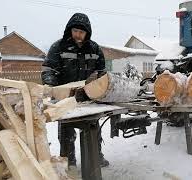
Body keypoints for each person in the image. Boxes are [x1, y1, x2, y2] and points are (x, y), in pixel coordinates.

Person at [41, 13, 109, 168]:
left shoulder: (94, 48)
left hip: (87, 97)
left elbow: (102, 72)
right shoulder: (58, 47)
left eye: (82, 32)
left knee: (93, 129)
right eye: (75, 31)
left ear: (87, 33)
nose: (78, 35)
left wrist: (100, 87)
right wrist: (53, 88)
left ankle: (96, 157)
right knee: (66, 133)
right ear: (70, 30)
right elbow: (48, 69)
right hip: (65, 98)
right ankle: (68, 162)